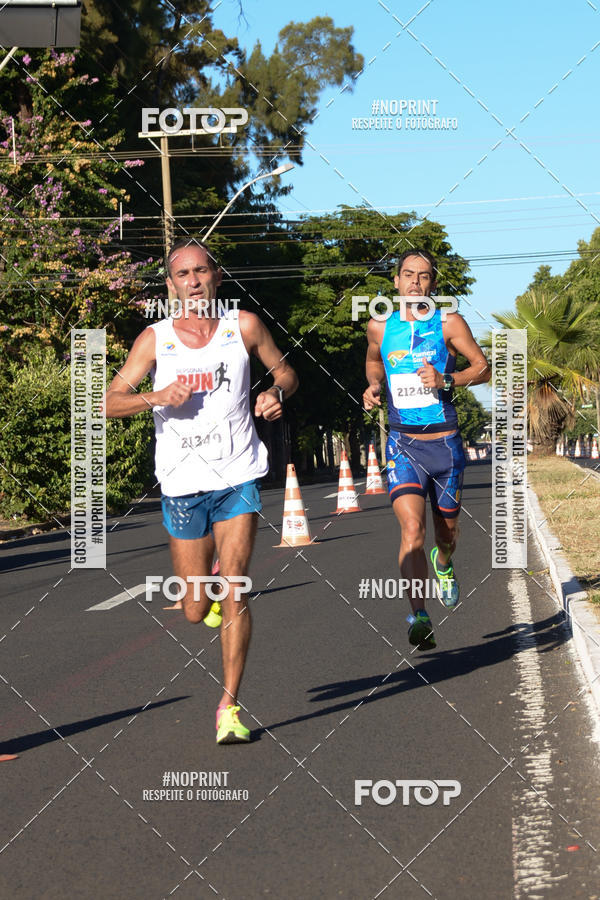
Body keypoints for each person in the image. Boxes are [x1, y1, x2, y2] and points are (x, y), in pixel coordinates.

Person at [105, 239, 298, 742]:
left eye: (201, 270)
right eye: (182, 274)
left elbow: (285, 371)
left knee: (236, 586)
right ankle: (204, 587)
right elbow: (109, 401)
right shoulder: (155, 339)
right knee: (194, 611)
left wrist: (275, 392)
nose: (193, 281)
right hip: (182, 485)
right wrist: (155, 396)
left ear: (216, 276)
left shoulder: (244, 327)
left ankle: (229, 708)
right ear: (171, 286)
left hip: (238, 475)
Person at [363, 249, 490, 651]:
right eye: (408, 275)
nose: (415, 282)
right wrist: (374, 386)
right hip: (403, 444)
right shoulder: (379, 327)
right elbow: (372, 362)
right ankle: (418, 615)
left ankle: (445, 563)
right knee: (412, 530)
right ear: (396, 282)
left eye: (423, 276)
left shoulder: (448, 322)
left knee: (445, 533)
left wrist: (445, 379)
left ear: (432, 284)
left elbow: (483, 367)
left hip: (445, 445)